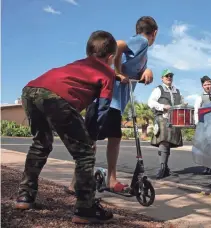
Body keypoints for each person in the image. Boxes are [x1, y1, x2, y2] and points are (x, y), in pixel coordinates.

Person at [15, 30, 117, 224]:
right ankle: (85, 208)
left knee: (40, 144)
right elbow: (101, 109)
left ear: (88, 52)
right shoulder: (108, 73)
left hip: (31, 90)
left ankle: (25, 196)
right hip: (57, 98)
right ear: (110, 57)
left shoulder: (78, 64)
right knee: (85, 154)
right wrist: (91, 137)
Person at [64, 16, 158, 195]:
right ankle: (77, 182)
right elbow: (120, 44)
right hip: (106, 99)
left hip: (114, 102)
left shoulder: (142, 51)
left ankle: (109, 179)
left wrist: (146, 70)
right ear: (154, 33)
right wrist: (116, 72)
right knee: (93, 141)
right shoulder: (142, 42)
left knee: (113, 138)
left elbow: (130, 64)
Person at [148, 69, 184, 179]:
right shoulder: (158, 89)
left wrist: (183, 105)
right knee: (163, 142)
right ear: (162, 78)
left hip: (174, 120)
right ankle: (162, 167)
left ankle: (166, 168)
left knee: (168, 143)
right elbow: (150, 102)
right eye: (167, 76)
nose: (169, 77)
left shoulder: (177, 90)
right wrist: (162, 106)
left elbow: (182, 102)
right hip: (162, 118)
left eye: (171, 76)